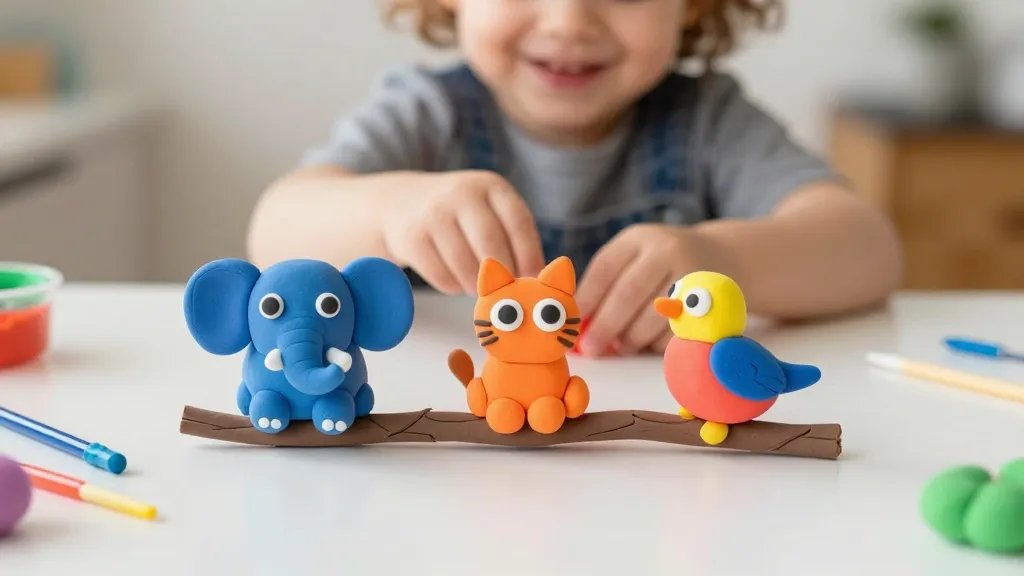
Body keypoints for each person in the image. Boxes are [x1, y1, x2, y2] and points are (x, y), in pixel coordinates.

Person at [248, 0, 901, 356]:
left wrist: (718, 258)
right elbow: (274, 230)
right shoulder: (426, 115)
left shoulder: (708, 122)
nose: (568, 20)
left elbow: (867, 249)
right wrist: (388, 209)